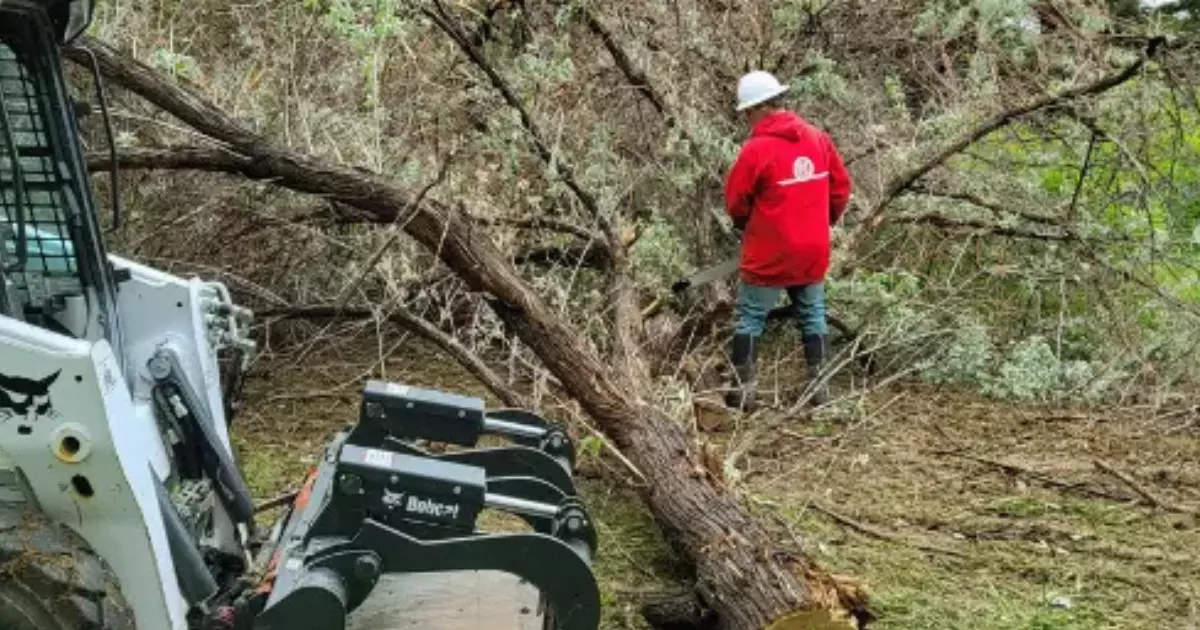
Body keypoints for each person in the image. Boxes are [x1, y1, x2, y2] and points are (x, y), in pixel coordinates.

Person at [722, 70, 852, 412]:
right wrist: (820, 224)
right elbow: (840, 189)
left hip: (769, 253)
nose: (747, 119)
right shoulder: (818, 138)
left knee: (751, 317)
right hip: (812, 250)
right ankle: (819, 391)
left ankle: (743, 394)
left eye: (748, 111)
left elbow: (736, 202)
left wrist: (745, 225)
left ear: (761, 108)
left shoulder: (756, 150)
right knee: (813, 315)